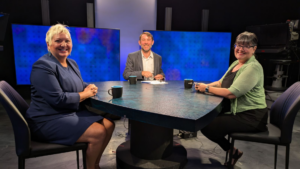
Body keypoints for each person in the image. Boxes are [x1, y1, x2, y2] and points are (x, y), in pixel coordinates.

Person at [25, 24, 115, 169]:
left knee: (109, 125)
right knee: (98, 132)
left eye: (67, 41)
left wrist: (88, 86)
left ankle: (94, 165)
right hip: (47, 119)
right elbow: (58, 99)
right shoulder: (42, 66)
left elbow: (77, 83)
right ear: (48, 45)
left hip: (68, 113)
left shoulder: (71, 63)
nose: (63, 45)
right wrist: (85, 94)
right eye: (58, 41)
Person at [195, 31, 268, 167]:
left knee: (207, 125)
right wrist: (200, 86)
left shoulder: (252, 67)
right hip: (240, 113)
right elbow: (221, 82)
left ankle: (233, 152)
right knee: (206, 120)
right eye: (238, 45)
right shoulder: (236, 63)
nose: (240, 49)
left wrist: (206, 89)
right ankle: (233, 152)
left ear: (254, 49)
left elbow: (232, 93)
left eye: (245, 46)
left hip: (251, 116)